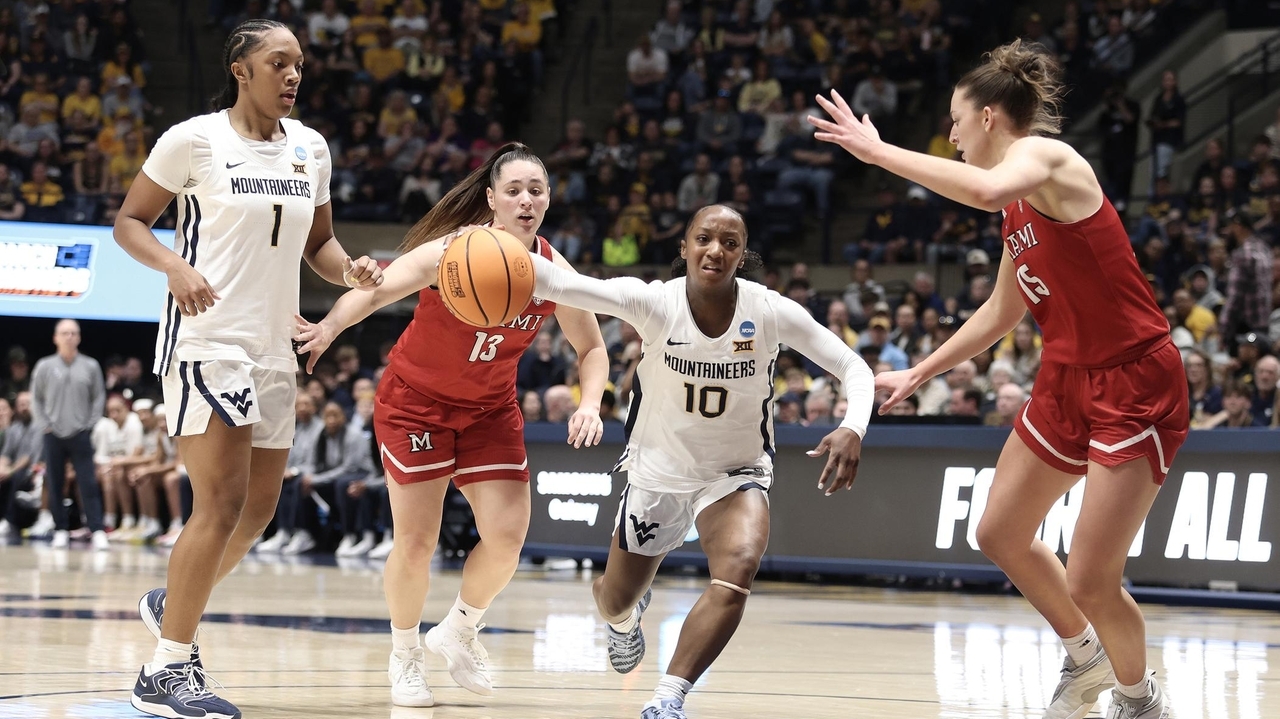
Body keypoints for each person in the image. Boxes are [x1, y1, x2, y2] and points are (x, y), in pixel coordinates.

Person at [811, 39, 1187, 719]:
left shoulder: (1048, 159)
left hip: (1135, 381)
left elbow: (983, 191)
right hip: (1067, 378)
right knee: (999, 532)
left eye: (956, 122)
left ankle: (1140, 700)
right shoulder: (1019, 205)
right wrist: (922, 370)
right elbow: (1002, 310)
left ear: (988, 116)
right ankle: (1085, 657)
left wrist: (878, 152)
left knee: (1092, 580)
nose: (952, 137)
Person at [112, 19, 383, 719]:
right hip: (208, 341)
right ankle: (165, 669)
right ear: (241, 69)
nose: (293, 76)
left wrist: (349, 270)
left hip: (273, 347)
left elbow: (319, 245)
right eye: (278, 63)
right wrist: (174, 267)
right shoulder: (194, 139)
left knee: (259, 510)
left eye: (300, 65)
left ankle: (175, 601)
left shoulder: (311, 148)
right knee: (221, 504)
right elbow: (130, 222)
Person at [525, 204, 873, 719]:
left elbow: (852, 365)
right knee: (615, 598)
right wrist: (487, 249)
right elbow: (563, 284)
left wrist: (853, 426)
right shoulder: (654, 303)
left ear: (742, 255)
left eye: (730, 243)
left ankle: (668, 698)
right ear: (684, 247)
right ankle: (623, 620)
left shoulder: (769, 311)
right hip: (657, 473)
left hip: (734, 472)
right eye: (705, 239)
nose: (716, 251)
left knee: (739, 568)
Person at [292, 142, 608, 708]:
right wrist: (329, 327)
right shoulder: (451, 253)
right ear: (491, 198)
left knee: (507, 538)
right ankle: (405, 655)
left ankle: (459, 629)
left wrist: (589, 404)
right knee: (417, 543)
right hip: (416, 404)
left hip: (489, 410)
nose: (526, 200)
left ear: (548, 200)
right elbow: (376, 289)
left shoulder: (553, 272)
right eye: (514, 190)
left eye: (536, 191)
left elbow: (592, 349)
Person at [30, 319, 109, 551]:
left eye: (74, 333)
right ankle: (60, 530)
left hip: (80, 433)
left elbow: (98, 397)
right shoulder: (44, 366)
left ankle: (97, 530)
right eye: (65, 333)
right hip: (52, 433)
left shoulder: (90, 365)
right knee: (54, 483)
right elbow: (36, 398)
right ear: (55, 338)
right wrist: (44, 424)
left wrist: (90, 424)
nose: (69, 337)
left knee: (88, 483)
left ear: (79, 337)